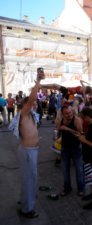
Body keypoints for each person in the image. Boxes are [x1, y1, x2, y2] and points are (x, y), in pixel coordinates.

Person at [15, 68, 44, 218]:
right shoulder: (23, 113)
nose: (34, 105)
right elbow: (32, 98)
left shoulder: (32, 115)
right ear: (26, 104)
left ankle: (25, 199)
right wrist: (38, 81)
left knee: (29, 178)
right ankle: (27, 209)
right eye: (31, 104)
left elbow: (34, 101)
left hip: (31, 151)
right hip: (27, 151)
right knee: (30, 179)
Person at [59, 105, 84, 196]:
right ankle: (67, 188)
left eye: (70, 112)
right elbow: (59, 129)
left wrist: (68, 129)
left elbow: (80, 134)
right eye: (66, 113)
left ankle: (81, 189)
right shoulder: (61, 120)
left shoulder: (77, 120)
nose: (69, 115)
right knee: (65, 170)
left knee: (79, 170)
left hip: (76, 148)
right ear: (62, 114)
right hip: (65, 147)